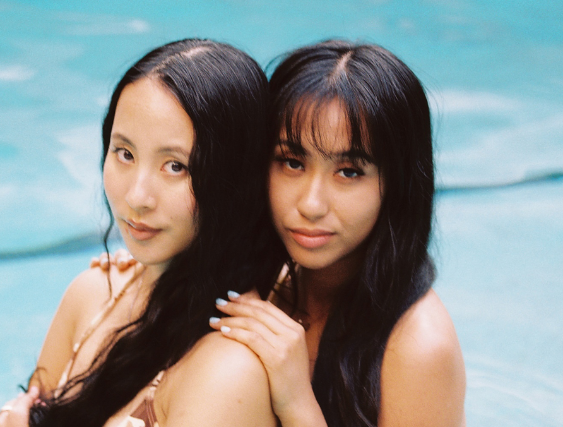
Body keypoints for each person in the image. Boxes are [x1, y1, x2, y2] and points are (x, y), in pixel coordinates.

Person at [101, 40, 467, 427]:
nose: (311, 204)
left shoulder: (419, 348)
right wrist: (158, 266)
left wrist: (297, 403)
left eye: (349, 172)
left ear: (397, 185)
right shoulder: (265, 281)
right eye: (292, 162)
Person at [0, 38, 286, 427]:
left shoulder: (228, 371)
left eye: (176, 166)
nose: (137, 197)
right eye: (125, 154)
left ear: (237, 179)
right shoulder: (92, 296)